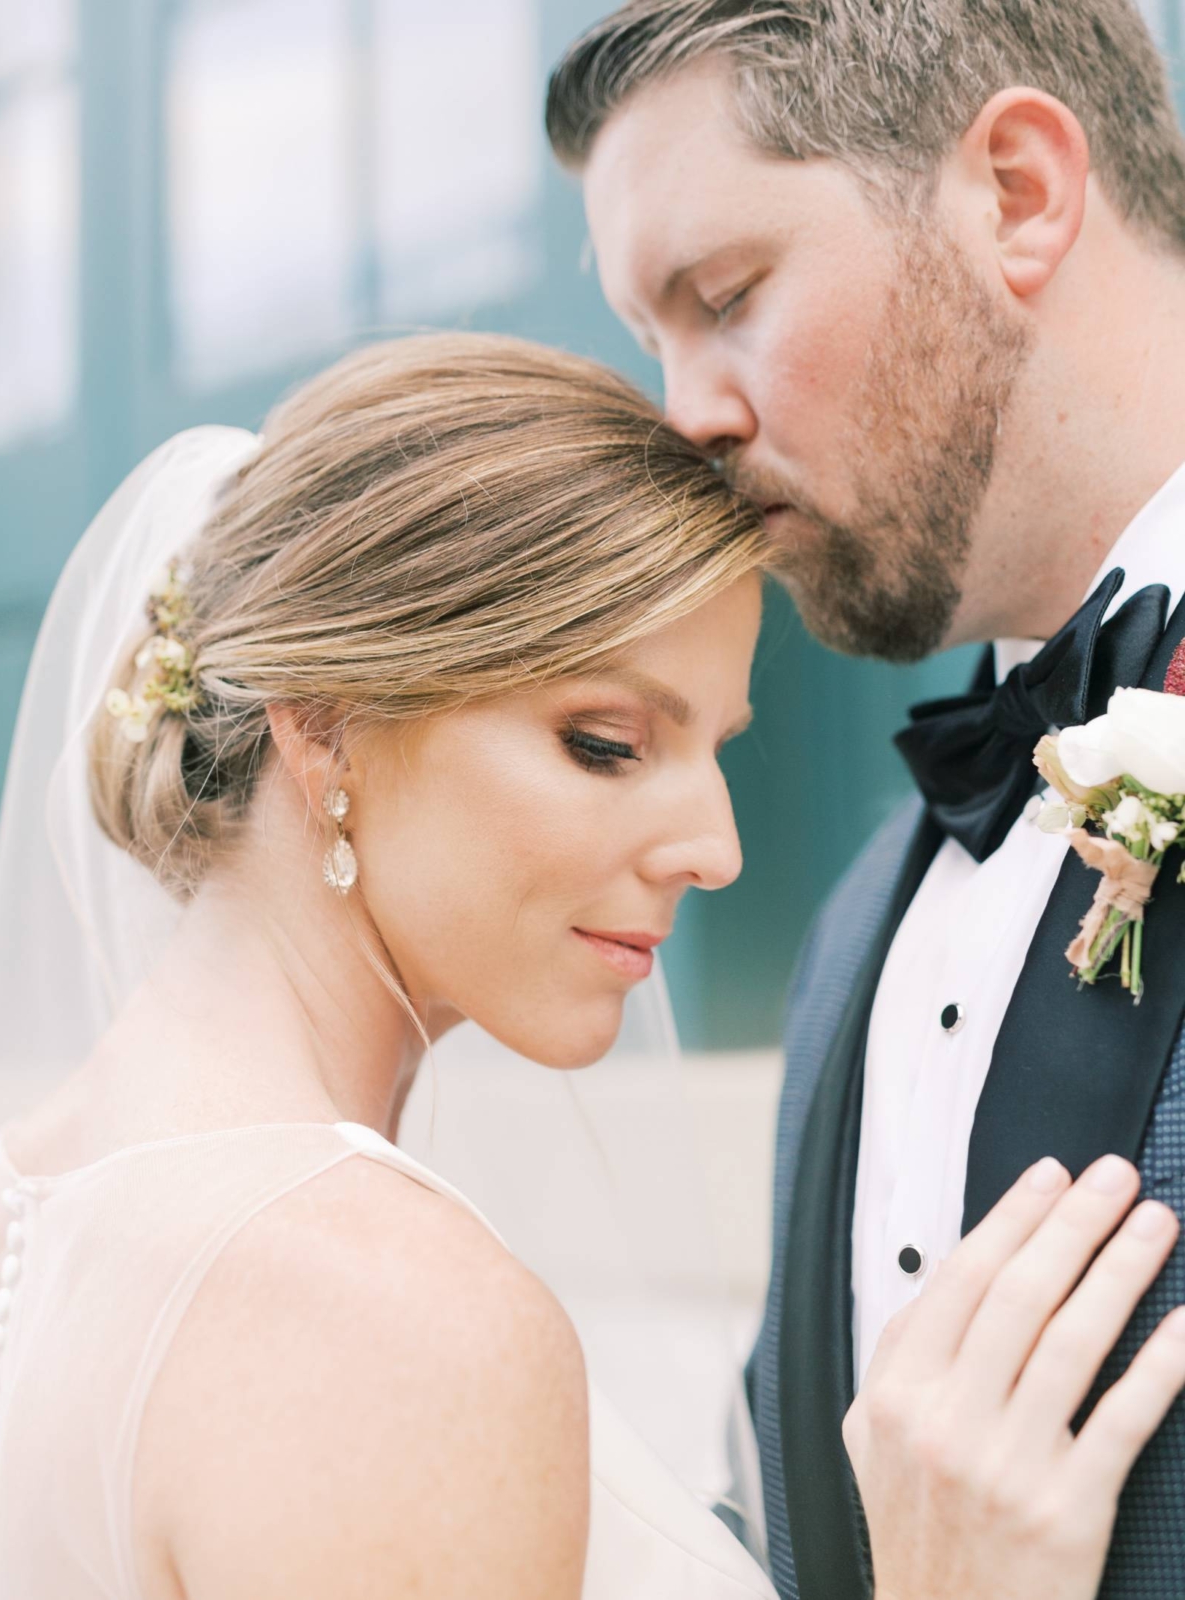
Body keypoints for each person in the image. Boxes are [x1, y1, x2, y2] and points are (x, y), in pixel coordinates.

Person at [0, 331, 1180, 1600]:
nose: (717, 849)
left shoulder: (34, 1199)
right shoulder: (387, 1321)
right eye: (607, 743)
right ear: (326, 727)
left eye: (720, 748)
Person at [545, 1, 1185, 1596]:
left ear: (1020, 190)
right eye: (653, 341)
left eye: (727, 297)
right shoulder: (854, 929)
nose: (684, 415)